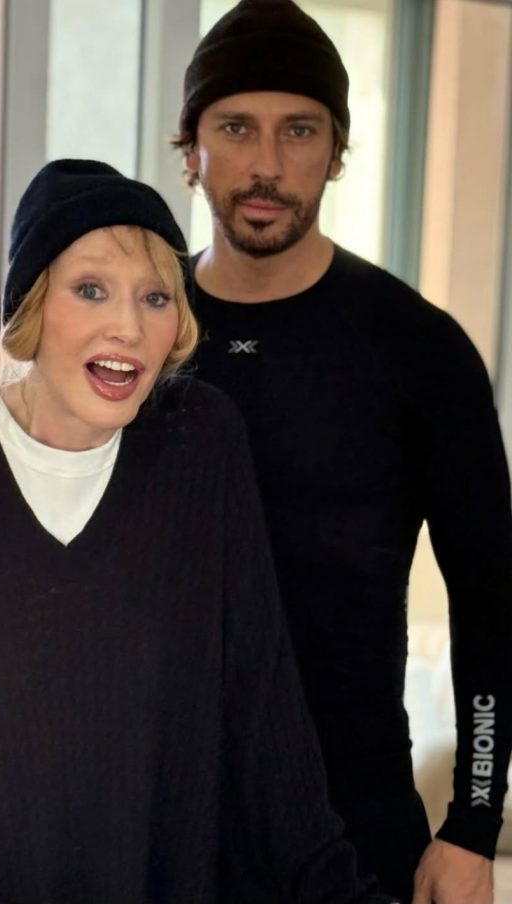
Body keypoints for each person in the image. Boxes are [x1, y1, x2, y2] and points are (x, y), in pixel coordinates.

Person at [0, 159, 392, 904]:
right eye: (91, 289)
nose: (129, 326)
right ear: (32, 302)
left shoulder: (199, 443)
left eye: (156, 297)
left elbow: (263, 709)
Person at [172, 2, 512, 902]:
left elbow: (491, 601)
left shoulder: (418, 348)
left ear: (336, 150)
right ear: (191, 147)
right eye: (236, 127)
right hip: (159, 817)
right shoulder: (139, 340)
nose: (267, 164)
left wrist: (473, 825)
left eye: (299, 130)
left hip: (351, 820)